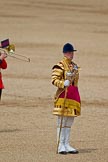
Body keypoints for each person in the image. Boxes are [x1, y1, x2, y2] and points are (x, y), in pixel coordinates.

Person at [51, 43, 81, 155]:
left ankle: (66, 144)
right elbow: (54, 80)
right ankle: (60, 145)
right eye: (69, 52)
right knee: (61, 121)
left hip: (73, 95)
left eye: (72, 52)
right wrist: (63, 83)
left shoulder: (75, 66)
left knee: (69, 121)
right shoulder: (60, 65)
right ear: (64, 53)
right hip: (63, 95)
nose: (71, 54)